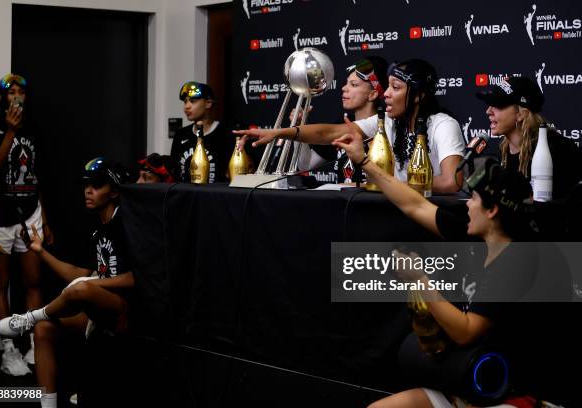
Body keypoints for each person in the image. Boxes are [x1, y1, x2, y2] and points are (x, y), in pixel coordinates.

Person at [332, 117, 554, 407]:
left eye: (473, 199)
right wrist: (364, 161)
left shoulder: (516, 263)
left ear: (492, 210)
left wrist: (420, 281)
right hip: (462, 384)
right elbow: (414, 204)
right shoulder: (475, 236)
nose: (467, 204)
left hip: (508, 394)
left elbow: (464, 332)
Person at [0, 157, 133, 408]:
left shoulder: (128, 225)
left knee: (80, 287)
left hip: (124, 311)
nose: (88, 191)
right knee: (44, 330)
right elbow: (78, 273)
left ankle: (30, 317)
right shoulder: (97, 230)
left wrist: (91, 284)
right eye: (86, 185)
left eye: (97, 186)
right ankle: (48, 405)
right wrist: (40, 251)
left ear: (114, 191)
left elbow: (136, 278)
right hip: (98, 311)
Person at [235, 59, 465, 193]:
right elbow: (330, 133)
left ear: (418, 96)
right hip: (397, 207)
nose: (386, 94)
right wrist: (281, 133)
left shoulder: (443, 125)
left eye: (395, 88)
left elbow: (451, 182)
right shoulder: (390, 123)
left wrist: (388, 186)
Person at [0, 73, 53, 376]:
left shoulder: (35, 129)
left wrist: (45, 218)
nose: (15, 96)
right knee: (1, 284)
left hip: (31, 212)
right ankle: (9, 350)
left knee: (33, 282)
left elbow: (39, 178)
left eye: (20, 91)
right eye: (9, 91)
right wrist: (9, 132)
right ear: (3, 97)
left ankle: (34, 344)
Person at [476, 76, 582, 199]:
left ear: (521, 114)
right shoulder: (503, 152)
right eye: (490, 105)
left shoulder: (557, 148)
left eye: (497, 105)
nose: (488, 111)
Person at [306, 56, 388, 183]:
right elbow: (305, 166)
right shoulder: (342, 124)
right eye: (347, 83)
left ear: (373, 94)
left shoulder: (386, 126)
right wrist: (298, 124)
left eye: (354, 85)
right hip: (344, 201)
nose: (344, 88)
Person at [170, 81, 233, 183]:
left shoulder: (226, 134)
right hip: (184, 196)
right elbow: (174, 172)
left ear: (208, 103)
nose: (187, 106)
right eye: (185, 102)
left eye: (193, 101)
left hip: (215, 196)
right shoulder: (180, 134)